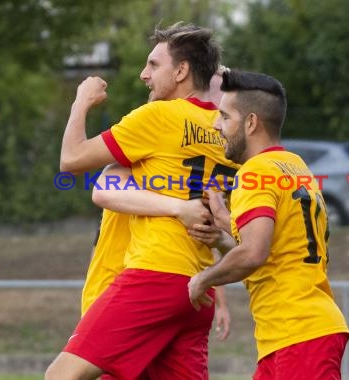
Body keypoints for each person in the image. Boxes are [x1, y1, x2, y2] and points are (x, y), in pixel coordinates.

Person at [45, 23, 239, 380]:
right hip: (197, 291)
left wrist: (82, 101)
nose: (143, 74)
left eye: (153, 65)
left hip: (153, 276)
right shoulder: (228, 134)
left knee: (60, 376)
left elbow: (71, 160)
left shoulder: (159, 118)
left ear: (181, 71)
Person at [188, 70, 349, 380]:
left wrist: (204, 279)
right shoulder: (296, 167)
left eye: (224, 116)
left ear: (251, 123)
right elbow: (277, 243)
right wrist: (225, 221)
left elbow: (253, 253)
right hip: (291, 335)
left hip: (299, 332)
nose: (217, 125)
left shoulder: (254, 171)